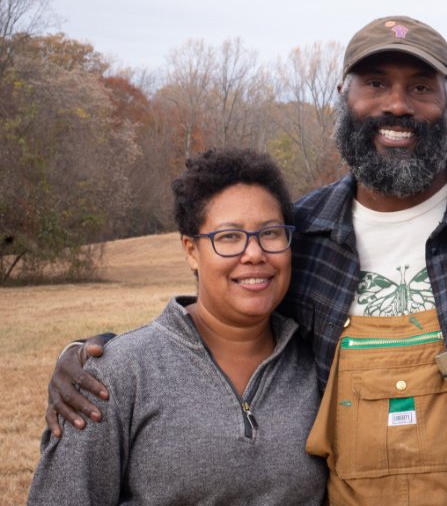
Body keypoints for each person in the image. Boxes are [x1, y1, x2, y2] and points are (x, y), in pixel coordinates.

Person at [47, 16, 447, 506]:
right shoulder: (301, 236)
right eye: (376, 84)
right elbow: (228, 315)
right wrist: (96, 357)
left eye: (421, 87)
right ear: (344, 98)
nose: (398, 105)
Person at [29, 148, 326, 505]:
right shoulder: (114, 376)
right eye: (229, 237)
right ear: (190, 250)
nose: (254, 253)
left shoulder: (316, 366)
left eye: (271, 233)